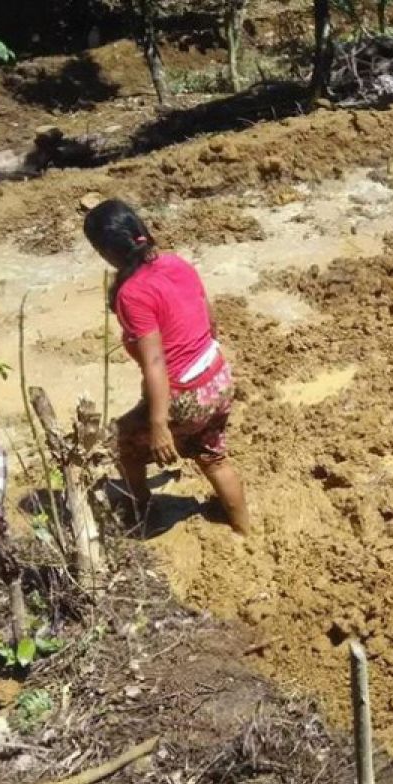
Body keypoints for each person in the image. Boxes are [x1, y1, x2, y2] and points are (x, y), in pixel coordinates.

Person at [83, 199, 251, 537]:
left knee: (121, 440)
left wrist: (159, 424)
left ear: (104, 252)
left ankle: (142, 509)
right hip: (217, 376)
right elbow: (209, 316)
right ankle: (245, 531)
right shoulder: (175, 262)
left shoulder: (132, 294)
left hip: (185, 395)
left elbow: (156, 362)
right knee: (213, 458)